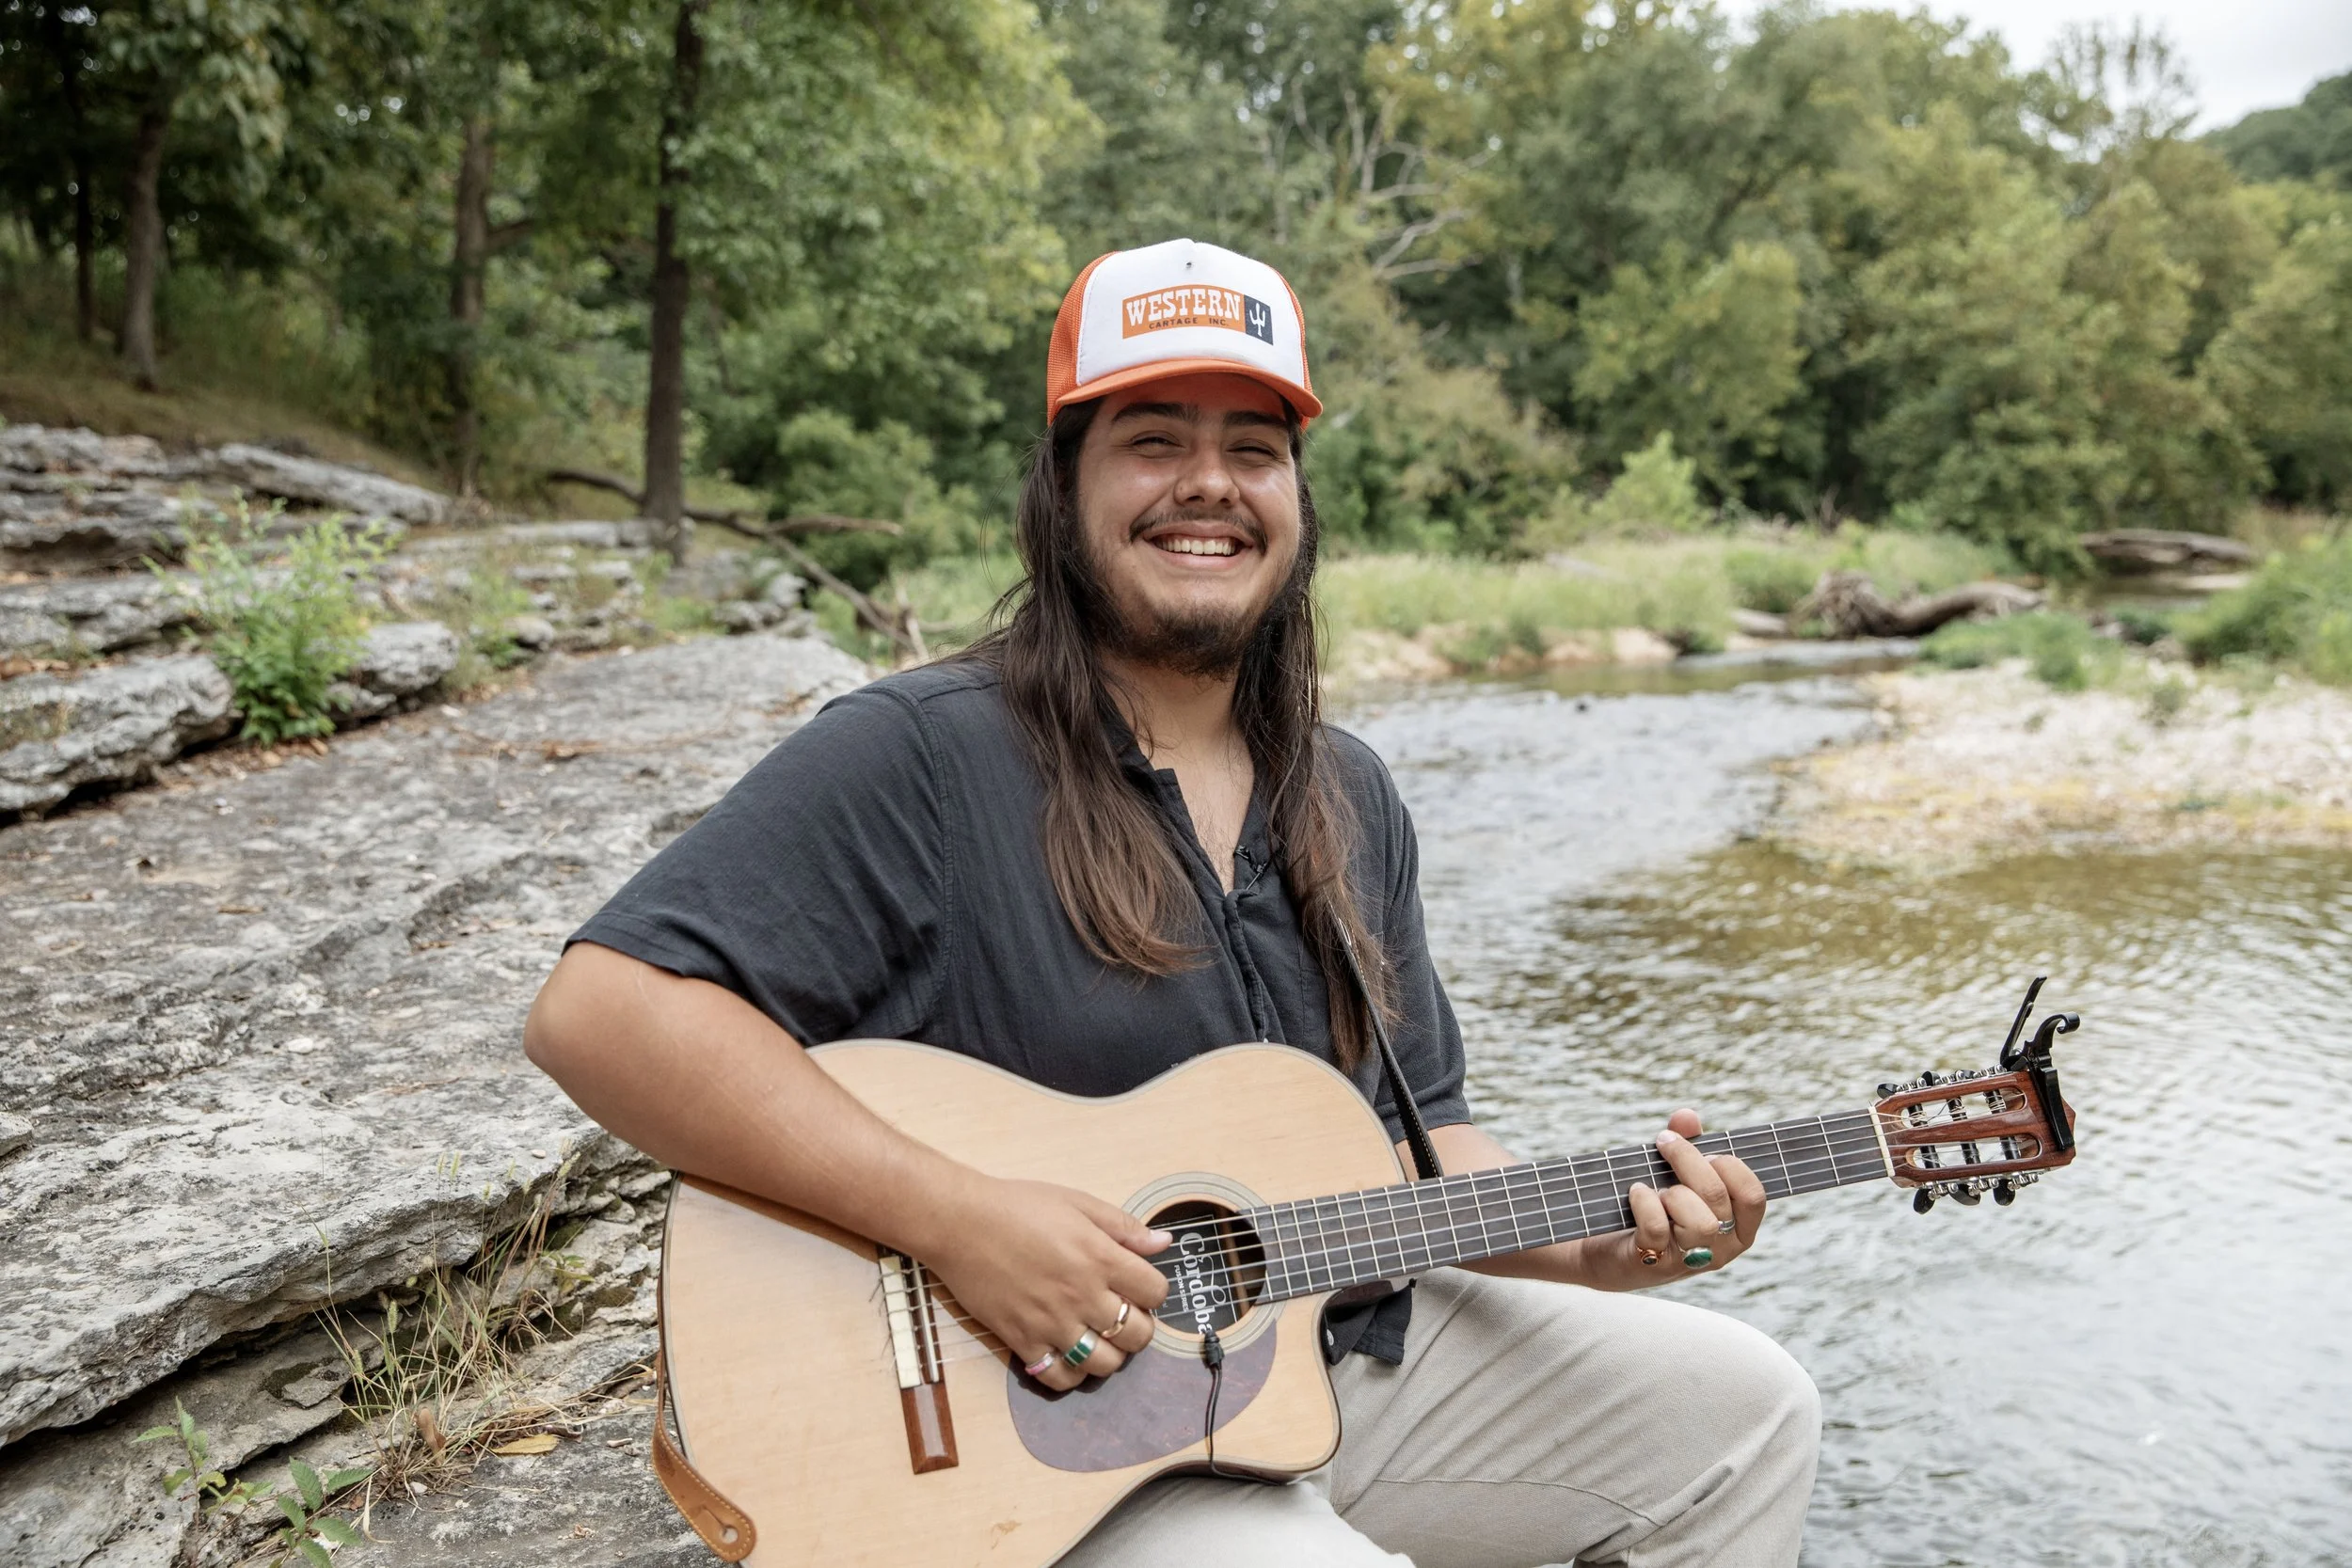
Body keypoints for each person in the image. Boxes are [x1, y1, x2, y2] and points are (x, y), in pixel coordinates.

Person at [523, 237, 1819, 1566]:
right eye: (1154, 439)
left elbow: (1430, 1150)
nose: (1209, 484)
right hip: (1049, 1428)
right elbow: (600, 1013)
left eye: (1254, 447)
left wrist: (1608, 1250)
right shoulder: (924, 754)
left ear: (1297, 499)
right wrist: (959, 1220)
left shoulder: (1349, 794)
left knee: (1751, 1412)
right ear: (1064, 482)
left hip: (1331, 1363)